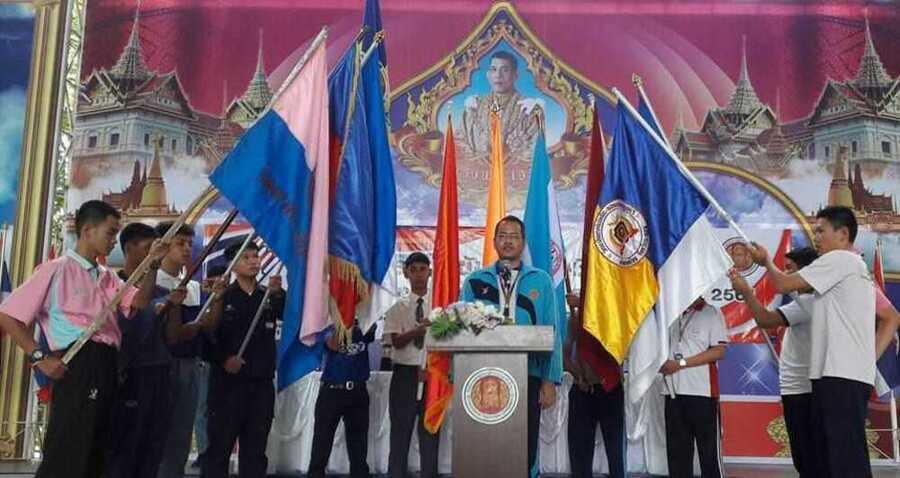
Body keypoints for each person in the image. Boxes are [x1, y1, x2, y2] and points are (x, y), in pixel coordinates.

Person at [0, 200, 168, 478]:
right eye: (110, 233)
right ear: (88, 231)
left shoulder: (108, 277)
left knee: (98, 449)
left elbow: (139, 301)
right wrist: (39, 357)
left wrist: (153, 265)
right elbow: (7, 315)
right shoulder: (55, 269)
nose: (113, 241)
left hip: (108, 363)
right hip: (77, 362)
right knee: (69, 447)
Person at [747, 206, 900, 478]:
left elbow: (782, 284)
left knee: (843, 459)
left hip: (839, 376)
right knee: (840, 455)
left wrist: (766, 261)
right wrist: (867, 360)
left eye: (821, 231)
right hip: (840, 376)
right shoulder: (855, 269)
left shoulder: (840, 260)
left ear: (843, 234)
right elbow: (892, 317)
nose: (815, 237)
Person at [461, 215, 563, 477]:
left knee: (525, 446)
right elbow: (462, 331)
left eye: (514, 236)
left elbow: (552, 331)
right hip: (482, 378)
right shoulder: (475, 281)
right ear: (494, 241)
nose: (508, 241)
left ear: (523, 242)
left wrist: (549, 380)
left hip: (528, 376)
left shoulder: (541, 281)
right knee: (485, 445)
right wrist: (456, 380)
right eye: (503, 236)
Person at [729, 247, 818, 478]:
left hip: (803, 390)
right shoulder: (805, 302)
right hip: (798, 388)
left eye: (790, 269)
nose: (785, 275)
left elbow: (765, 319)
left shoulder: (808, 303)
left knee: (807, 455)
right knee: (804, 454)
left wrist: (747, 293)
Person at [107, 222, 187, 478]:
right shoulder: (113, 286)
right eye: (149, 248)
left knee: (154, 445)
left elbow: (173, 337)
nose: (157, 254)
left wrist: (174, 306)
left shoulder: (162, 291)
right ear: (129, 248)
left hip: (160, 374)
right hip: (128, 374)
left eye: (158, 249)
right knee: (125, 446)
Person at [202, 243, 283, 478]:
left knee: (255, 451)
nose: (253, 261)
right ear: (232, 265)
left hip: (261, 383)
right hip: (227, 385)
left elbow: (291, 317)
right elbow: (206, 337)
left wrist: (279, 293)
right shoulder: (221, 297)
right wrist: (223, 359)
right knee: (219, 448)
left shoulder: (268, 296)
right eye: (245, 257)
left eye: (255, 256)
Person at [154, 221, 206, 478]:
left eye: (189, 243)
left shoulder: (194, 287)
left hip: (189, 365)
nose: (186, 248)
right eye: (180, 243)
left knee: (182, 432)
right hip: (159, 366)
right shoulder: (150, 282)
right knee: (157, 431)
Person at [383, 252, 440, 478]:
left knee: (430, 434)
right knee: (400, 434)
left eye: (422, 269)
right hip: (404, 376)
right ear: (406, 273)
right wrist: (418, 331)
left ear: (430, 272)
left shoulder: (439, 308)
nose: (418, 275)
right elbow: (395, 341)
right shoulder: (397, 307)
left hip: (432, 375)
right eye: (413, 270)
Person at [660, 298, 728, 478]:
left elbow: (719, 351)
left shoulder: (711, 313)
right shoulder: (671, 313)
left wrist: (680, 364)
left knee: (709, 455)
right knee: (677, 456)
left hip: (702, 393)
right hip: (673, 393)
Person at [563, 293, 625, 478]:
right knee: (579, 453)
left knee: (615, 451)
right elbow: (564, 354)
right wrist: (578, 375)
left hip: (610, 388)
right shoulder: (574, 320)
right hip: (582, 390)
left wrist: (583, 303)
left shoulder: (613, 316)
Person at [307, 321, 377, 478]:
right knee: (321, 446)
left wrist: (358, 319)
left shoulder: (365, 320)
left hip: (358, 391)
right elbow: (332, 344)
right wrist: (343, 320)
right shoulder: (327, 322)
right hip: (332, 391)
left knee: (359, 452)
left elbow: (370, 330)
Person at [460, 51, 543, 159]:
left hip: (516, 168)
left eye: (505, 70)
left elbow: (536, 151)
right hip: (477, 168)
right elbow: (460, 142)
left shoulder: (528, 109)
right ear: (488, 75)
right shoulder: (474, 106)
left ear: (515, 76)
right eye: (494, 69)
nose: (498, 75)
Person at [191, 264, 227, 470]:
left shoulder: (232, 299)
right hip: (205, 361)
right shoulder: (201, 299)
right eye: (215, 281)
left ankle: (219, 451)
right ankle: (205, 451)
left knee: (222, 410)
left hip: (226, 363)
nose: (220, 284)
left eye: (223, 281)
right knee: (202, 409)